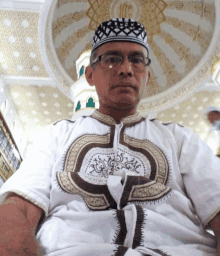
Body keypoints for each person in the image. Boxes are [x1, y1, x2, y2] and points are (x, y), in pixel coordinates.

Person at [0, 18, 220, 256]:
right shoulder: (56, 135)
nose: (126, 69)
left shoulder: (179, 138)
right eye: (112, 59)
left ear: (146, 76)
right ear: (90, 75)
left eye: (136, 60)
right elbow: (18, 209)